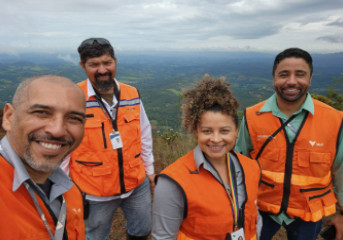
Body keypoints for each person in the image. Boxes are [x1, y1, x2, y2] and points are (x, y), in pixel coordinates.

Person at [235, 48, 343, 240]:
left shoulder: (335, 121)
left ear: (310, 78)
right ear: (274, 78)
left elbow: (341, 171)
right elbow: (239, 164)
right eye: (283, 74)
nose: (292, 81)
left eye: (300, 74)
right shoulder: (252, 116)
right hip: (261, 207)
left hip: (308, 212)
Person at [152, 74, 261, 240]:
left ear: (236, 132)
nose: (216, 139)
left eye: (224, 131)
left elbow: (253, 216)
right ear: (196, 132)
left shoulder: (251, 168)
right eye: (207, 131)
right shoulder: (172, 182)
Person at [69, 38, 155, 240]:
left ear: (115, 61)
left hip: (136, 184)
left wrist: (149, 170)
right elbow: (64, 146)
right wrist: (64, 187)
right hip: (94, 190)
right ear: (83, 66)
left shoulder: (131, 93)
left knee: (142, 231)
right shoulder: (73, 98)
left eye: (107, 63)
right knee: (95, 236)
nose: (102, 70)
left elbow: (144, 132)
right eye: (94, 64)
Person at [0, 74, 86, 239]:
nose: (58, 130)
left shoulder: (70, 191)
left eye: (73, 118)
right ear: (9, 117)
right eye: (42, 113)